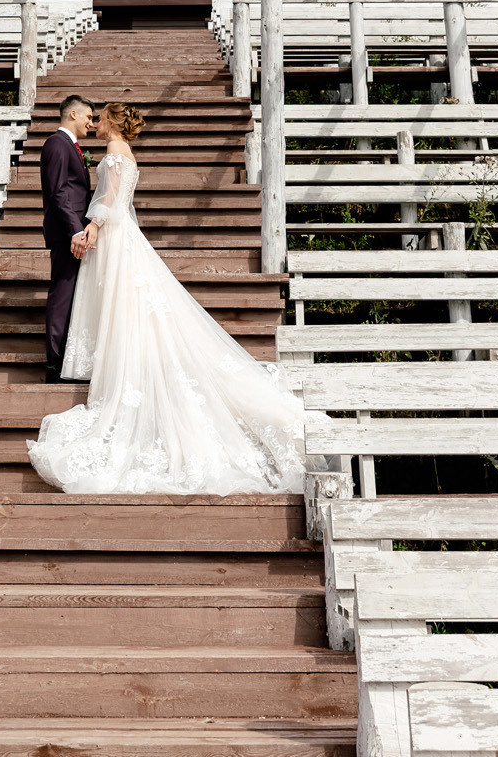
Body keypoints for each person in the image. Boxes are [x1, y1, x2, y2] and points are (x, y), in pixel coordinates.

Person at [28, 102, 306, 495]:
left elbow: (111, 201)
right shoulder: (121, 151)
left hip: (113, 234)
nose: (96, 122)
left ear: (113, 122)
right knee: (128, 306)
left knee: (124, 304)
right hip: (119, 234)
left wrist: (93, 226)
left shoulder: (115, 151)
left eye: (100, 117)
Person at [39, 94, 96, 384]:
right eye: (88, 117)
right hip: (66, 234)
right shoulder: (57, 144)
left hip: (75, 232)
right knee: (62, 295)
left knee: (72, 294)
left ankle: (66, 359)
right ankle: (54, 363)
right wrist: (75, 230)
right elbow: (58, 191)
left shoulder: (70, 146)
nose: (91, 123)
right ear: (73, 114)